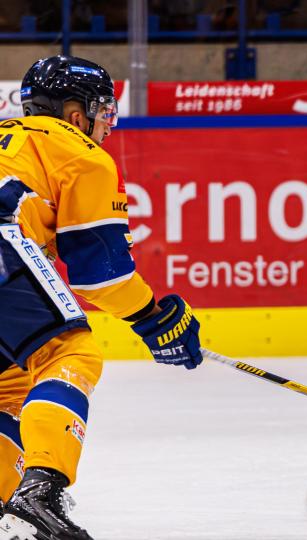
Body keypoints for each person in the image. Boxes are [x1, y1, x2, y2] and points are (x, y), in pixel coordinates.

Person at [0, 55, 203, 540]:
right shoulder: (79, 152)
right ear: (74, 114)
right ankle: (39, 493)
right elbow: (101, 277)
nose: (105, 124)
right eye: (101, 111)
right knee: (70, 352)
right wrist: (155, 319)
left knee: (9, 385)